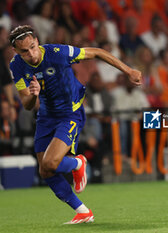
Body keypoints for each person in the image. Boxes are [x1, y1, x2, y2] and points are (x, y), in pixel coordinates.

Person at [9, 25, 141, 224]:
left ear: (37, 40)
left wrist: (129, 70)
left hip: (70, 114)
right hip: (46, 116)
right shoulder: (16, 66)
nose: (32, 54)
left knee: (50, 163)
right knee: (45, 171)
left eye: (33, 47)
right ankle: (83, 211)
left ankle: (79, 162)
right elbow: (26, 104)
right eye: (25, 52)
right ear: (16, 52)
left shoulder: (58, 52)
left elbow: (96, 52)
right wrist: (33, 94)